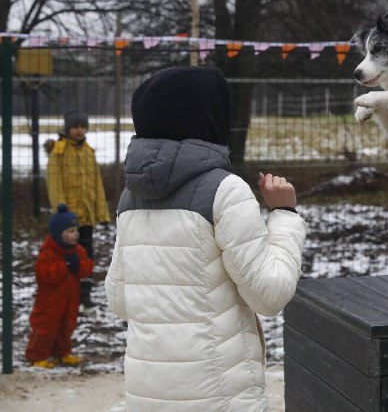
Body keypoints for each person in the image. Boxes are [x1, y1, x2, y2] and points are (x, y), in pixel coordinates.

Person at [105, 66, 307, 411]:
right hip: (220, 397)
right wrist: (284, 216)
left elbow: (119, 299)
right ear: (211, 117)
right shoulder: (224, 191)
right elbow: (269, 295)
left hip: (148, 396)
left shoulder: (131, 198)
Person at [46, 110, 110, 308]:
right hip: (68, 219)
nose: (79, 130)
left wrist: (102, 213)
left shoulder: (89, 152)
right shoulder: (59, 151)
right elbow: (54, 183)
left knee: (86, 255)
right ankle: (68, 292)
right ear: (68, 129)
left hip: (87, 217)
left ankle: (85, 292)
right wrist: (61, 211)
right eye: (75, 127)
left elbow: (97, 184)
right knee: (66, 255)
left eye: (83, 126)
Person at [25, 204, 93, 368]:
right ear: (57, 233)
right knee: (45, 328)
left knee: (66, 327)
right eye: (70, 231)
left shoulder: (77, 250)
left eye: (75, 230)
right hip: (49, 301)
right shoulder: (48, 252)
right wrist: (65, 265)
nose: (75, 234)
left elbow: (87, 268)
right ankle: (37, 355)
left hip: (70, 299)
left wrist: (78, 266)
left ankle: (62, 353)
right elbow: (44, 274)